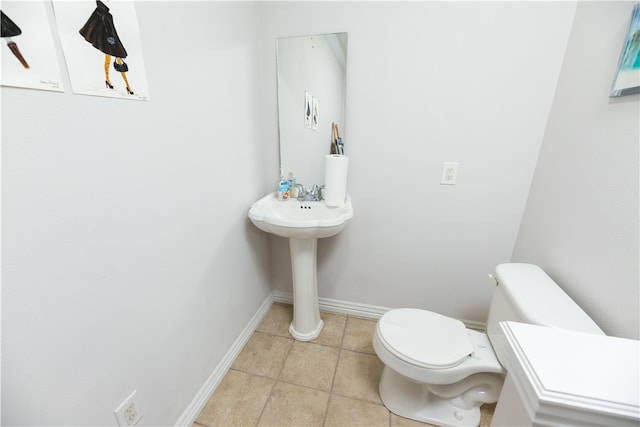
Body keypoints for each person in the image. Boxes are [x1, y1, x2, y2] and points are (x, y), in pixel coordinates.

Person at [79, 0, 133, 94]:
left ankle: (110, 81)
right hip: (111, 42)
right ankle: (127, 86)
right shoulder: (103, 14)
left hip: (110, 41)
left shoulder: (103, 13)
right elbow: (107, 30)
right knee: (117, 61)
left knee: (110, 60)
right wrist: (112, 41)